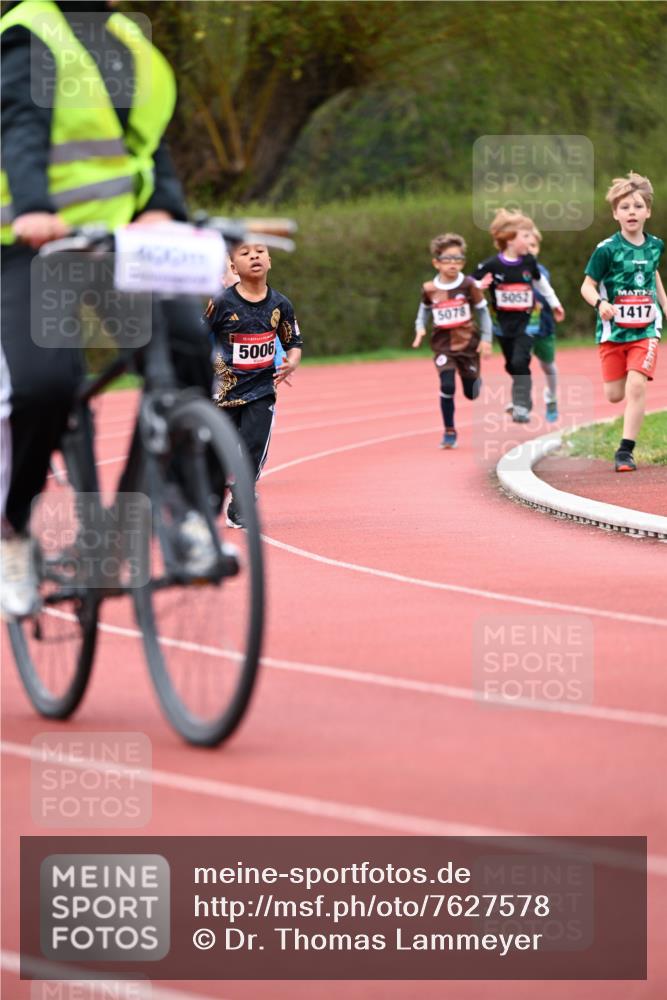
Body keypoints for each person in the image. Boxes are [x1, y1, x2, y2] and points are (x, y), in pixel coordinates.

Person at [0, 0, 214, 616]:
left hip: (115, 242)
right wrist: (37, 208)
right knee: (46, 385)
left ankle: (185, 513)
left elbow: (147, 147)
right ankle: (14, 529)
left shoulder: (126, 39)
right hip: (31, 242)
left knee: (185, 347)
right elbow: (19, 126)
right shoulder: (31, 31)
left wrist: (164, 208)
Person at [204, 241, 303, 528]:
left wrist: (292, 361)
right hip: (223, 391)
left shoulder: (281, 304)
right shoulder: (222, 303)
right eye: (245, 254)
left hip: (262, 390)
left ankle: (241, 501)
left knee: (254, 447)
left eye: (260, 252)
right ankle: (208, 498)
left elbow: (292, 341)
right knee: (217, 451)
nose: (254, 257)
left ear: (270, 261)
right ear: (233, 267)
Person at [581, 172, 665, 472]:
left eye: (638, 206)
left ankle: (625, 451)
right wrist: (601, 303)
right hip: (613, 331)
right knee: (615, 394)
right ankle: (625, 428)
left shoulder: (656, 245)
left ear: (648, 211)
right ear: (616, 213)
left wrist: (665, 307)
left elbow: (653, 275)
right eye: (625, 207)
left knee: (637, 386)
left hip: (646, 329)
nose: (632, 211)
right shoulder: (606, 249)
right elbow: (587, 286)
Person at [473, 209, 565, 423]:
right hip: (503, 324)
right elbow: (470, 283)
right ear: (510, 240)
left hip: (528, 322)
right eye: (525, 236)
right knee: (511, 365)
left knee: (520, 360)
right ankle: (522, 398)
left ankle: (522, 405)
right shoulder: (491, 265)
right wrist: (479, 284)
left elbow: (542, 283)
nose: (529, 240)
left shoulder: (529, 263)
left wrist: (555, 304)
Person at [412, 233, 492, 448]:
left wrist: (486, 339)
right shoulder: (429, 289)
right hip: (442, 347)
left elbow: (483, 313)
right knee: (447, 384)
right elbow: (424, 312)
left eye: (458, 259)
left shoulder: (468, 285)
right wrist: (419, 328)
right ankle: (449, 431)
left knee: (472, 393)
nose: (453, 264)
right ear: (436, 262)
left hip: (468, 345)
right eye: (448, 259)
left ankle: (475, 379)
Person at [525, 227, 559, 423]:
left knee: (548, 366)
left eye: (533, 245)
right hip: (521, 330)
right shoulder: (508, 270)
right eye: (526, 244)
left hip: (543, 328)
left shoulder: (541, 272)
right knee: (520, 364)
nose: (529, 249)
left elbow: (543, 293)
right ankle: (522, 400)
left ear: (538, 249)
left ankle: (551, 397)